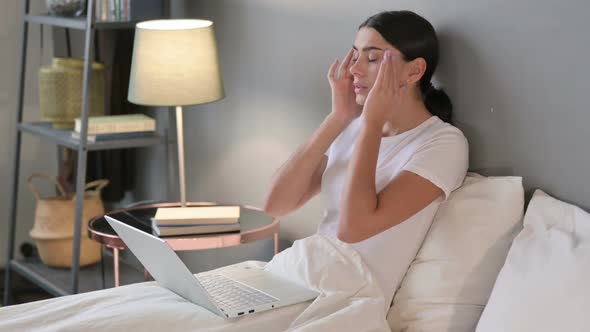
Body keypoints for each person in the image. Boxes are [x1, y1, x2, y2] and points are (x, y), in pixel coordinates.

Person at [263, 10, 469, 307]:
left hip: (350, 295)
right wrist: (338, 117)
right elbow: (275, 204)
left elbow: (353, 229)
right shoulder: (353, 127)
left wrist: (371, 124)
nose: (355, 70)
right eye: (355, 55)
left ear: (414, 71)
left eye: (372, 59)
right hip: (305, 275)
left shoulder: (443, 144)